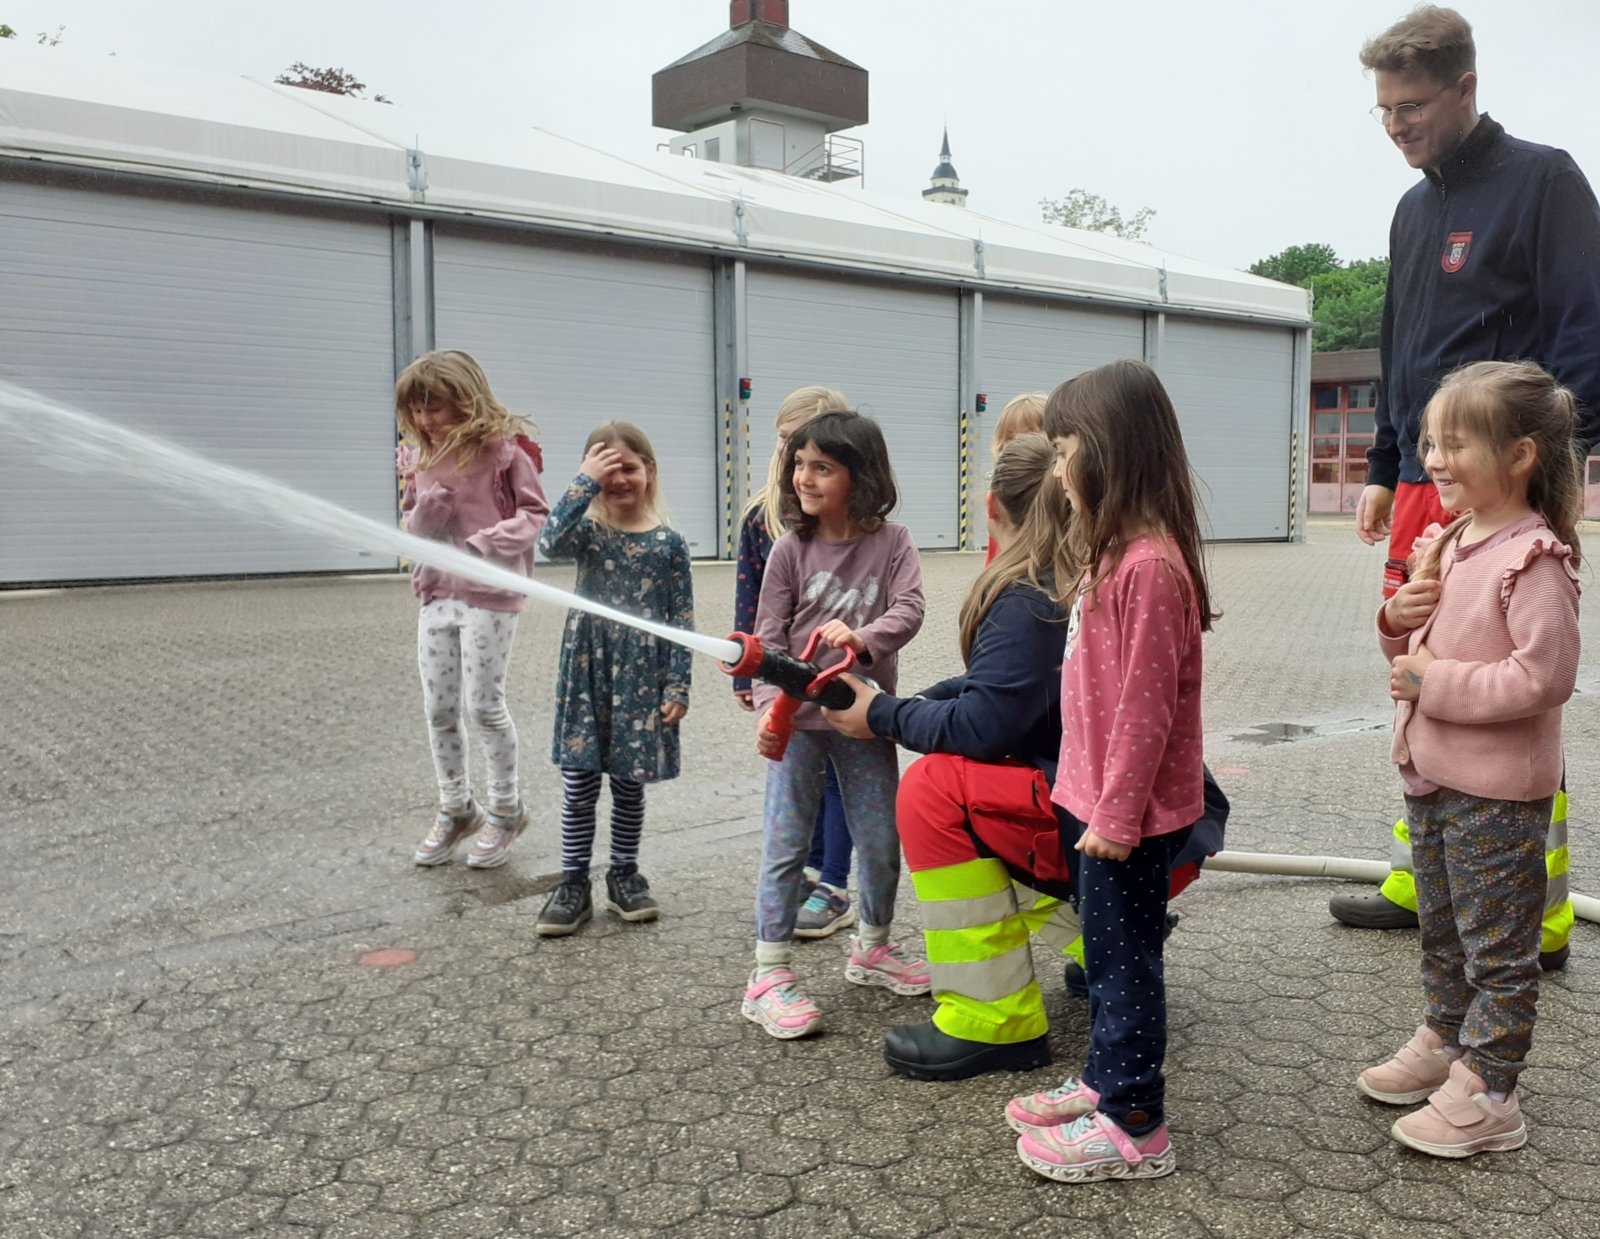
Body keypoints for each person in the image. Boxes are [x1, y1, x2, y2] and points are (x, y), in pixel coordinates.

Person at [822, 432, 1227, 1084]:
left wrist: (881, 716)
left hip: (1117, 834)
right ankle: (1105, 948)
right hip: (1168, 830)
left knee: (933, 790)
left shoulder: (1025, 598)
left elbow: (984, 724)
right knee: (982, 788)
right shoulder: (1086, 572)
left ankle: (993, 1019)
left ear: (992, 507)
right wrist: (904, 705)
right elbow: (1001, 697)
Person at [1335, 5, 1600, 969]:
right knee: (1420, 666)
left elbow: (1583, 340)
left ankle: (1540, 911)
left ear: (1465, 89)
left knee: (1507, 684)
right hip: (1421, 484)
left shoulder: (1544, 181)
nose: (1398, 126)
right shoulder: (1412, 209)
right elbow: (1405, 349)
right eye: (1384, 111)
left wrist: (1551, 483)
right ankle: (1428, 873)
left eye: (1412, 106)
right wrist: (1380, 462)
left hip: (1507, 488)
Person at [1358, 360, 1581, 1158]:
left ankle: (1491, 1089)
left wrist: (1433, 680)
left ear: (1520, 454)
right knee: (1443, 928)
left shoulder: (1536, 559)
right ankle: (1445, 1038)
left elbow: (1545, 676)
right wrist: (1397, 616)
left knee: (1498, 945)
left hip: (1496, 791)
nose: (1435, 458)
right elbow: (1409, 643)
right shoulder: (1451, 539)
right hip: (1432, 773)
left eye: (1455, 442)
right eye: (1428, 440)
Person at [1008, 359, 1216, 1184]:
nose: (1058, 471)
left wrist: (1119, 817)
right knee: (1105, 955)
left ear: (1114, 451)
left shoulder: (1150, 568)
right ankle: (1102, 1080)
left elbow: (1145, 709)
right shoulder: (1112, 552)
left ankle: (1136, 1121)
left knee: (1126, 964)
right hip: (1097, 801)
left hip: (1128, 817)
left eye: (1066, 451)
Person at [741, 410, 930, 1039]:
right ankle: (768, 973)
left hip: (862, 721)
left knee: (880, 839)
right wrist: (775, 705)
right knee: (786, 842)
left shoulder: (893, 543)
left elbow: (909, 608)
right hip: (799, 729)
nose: (803, 477)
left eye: (822, 467)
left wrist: (864, 636)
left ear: (862, 476)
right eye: (799, 464)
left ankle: (872, 947)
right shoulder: (790, 550)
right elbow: (767, 640)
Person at [534, 422, 694, 936]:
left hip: (642, 679)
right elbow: (548, 542)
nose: (620, 479)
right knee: (579, 784)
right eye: (607, 470)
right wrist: (582, 483)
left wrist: (677, 685)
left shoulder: (670, 543)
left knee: (628, 785)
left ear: (650, 470)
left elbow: (680, 618)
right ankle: (573, 882)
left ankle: (624, 873)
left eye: (629, 467)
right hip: (588, 671)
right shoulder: (588, 532)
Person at [396, 350, 549, 870]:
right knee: (439, 709)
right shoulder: (416, 457)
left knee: (483, 706)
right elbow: (412, 532)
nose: (424, 421)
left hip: (490, 595)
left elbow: (534, 514)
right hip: (437, 592)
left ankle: (506, 810)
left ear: (465, 400)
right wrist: (429, 510)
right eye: (415, 410)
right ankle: (456, 808)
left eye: (433, 408)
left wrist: (488, 543)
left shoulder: (506, 454)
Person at [734, 385, 857, 939]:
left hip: (837, 669)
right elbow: (748, 594)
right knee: (794, 769)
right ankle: (806, 871)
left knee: (837, 776)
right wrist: (747, 670)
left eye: (808, 447)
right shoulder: (762, 518)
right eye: (785, 441)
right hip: (783, 674)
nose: (793, 456)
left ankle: (834, 884)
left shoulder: (852, 520)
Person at [984, 393, 1047, 565]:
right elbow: (993, 554)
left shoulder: (1060, 493)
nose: (1018, 444)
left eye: (1030, 435)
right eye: (1011, 438)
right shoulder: (1002, 493)